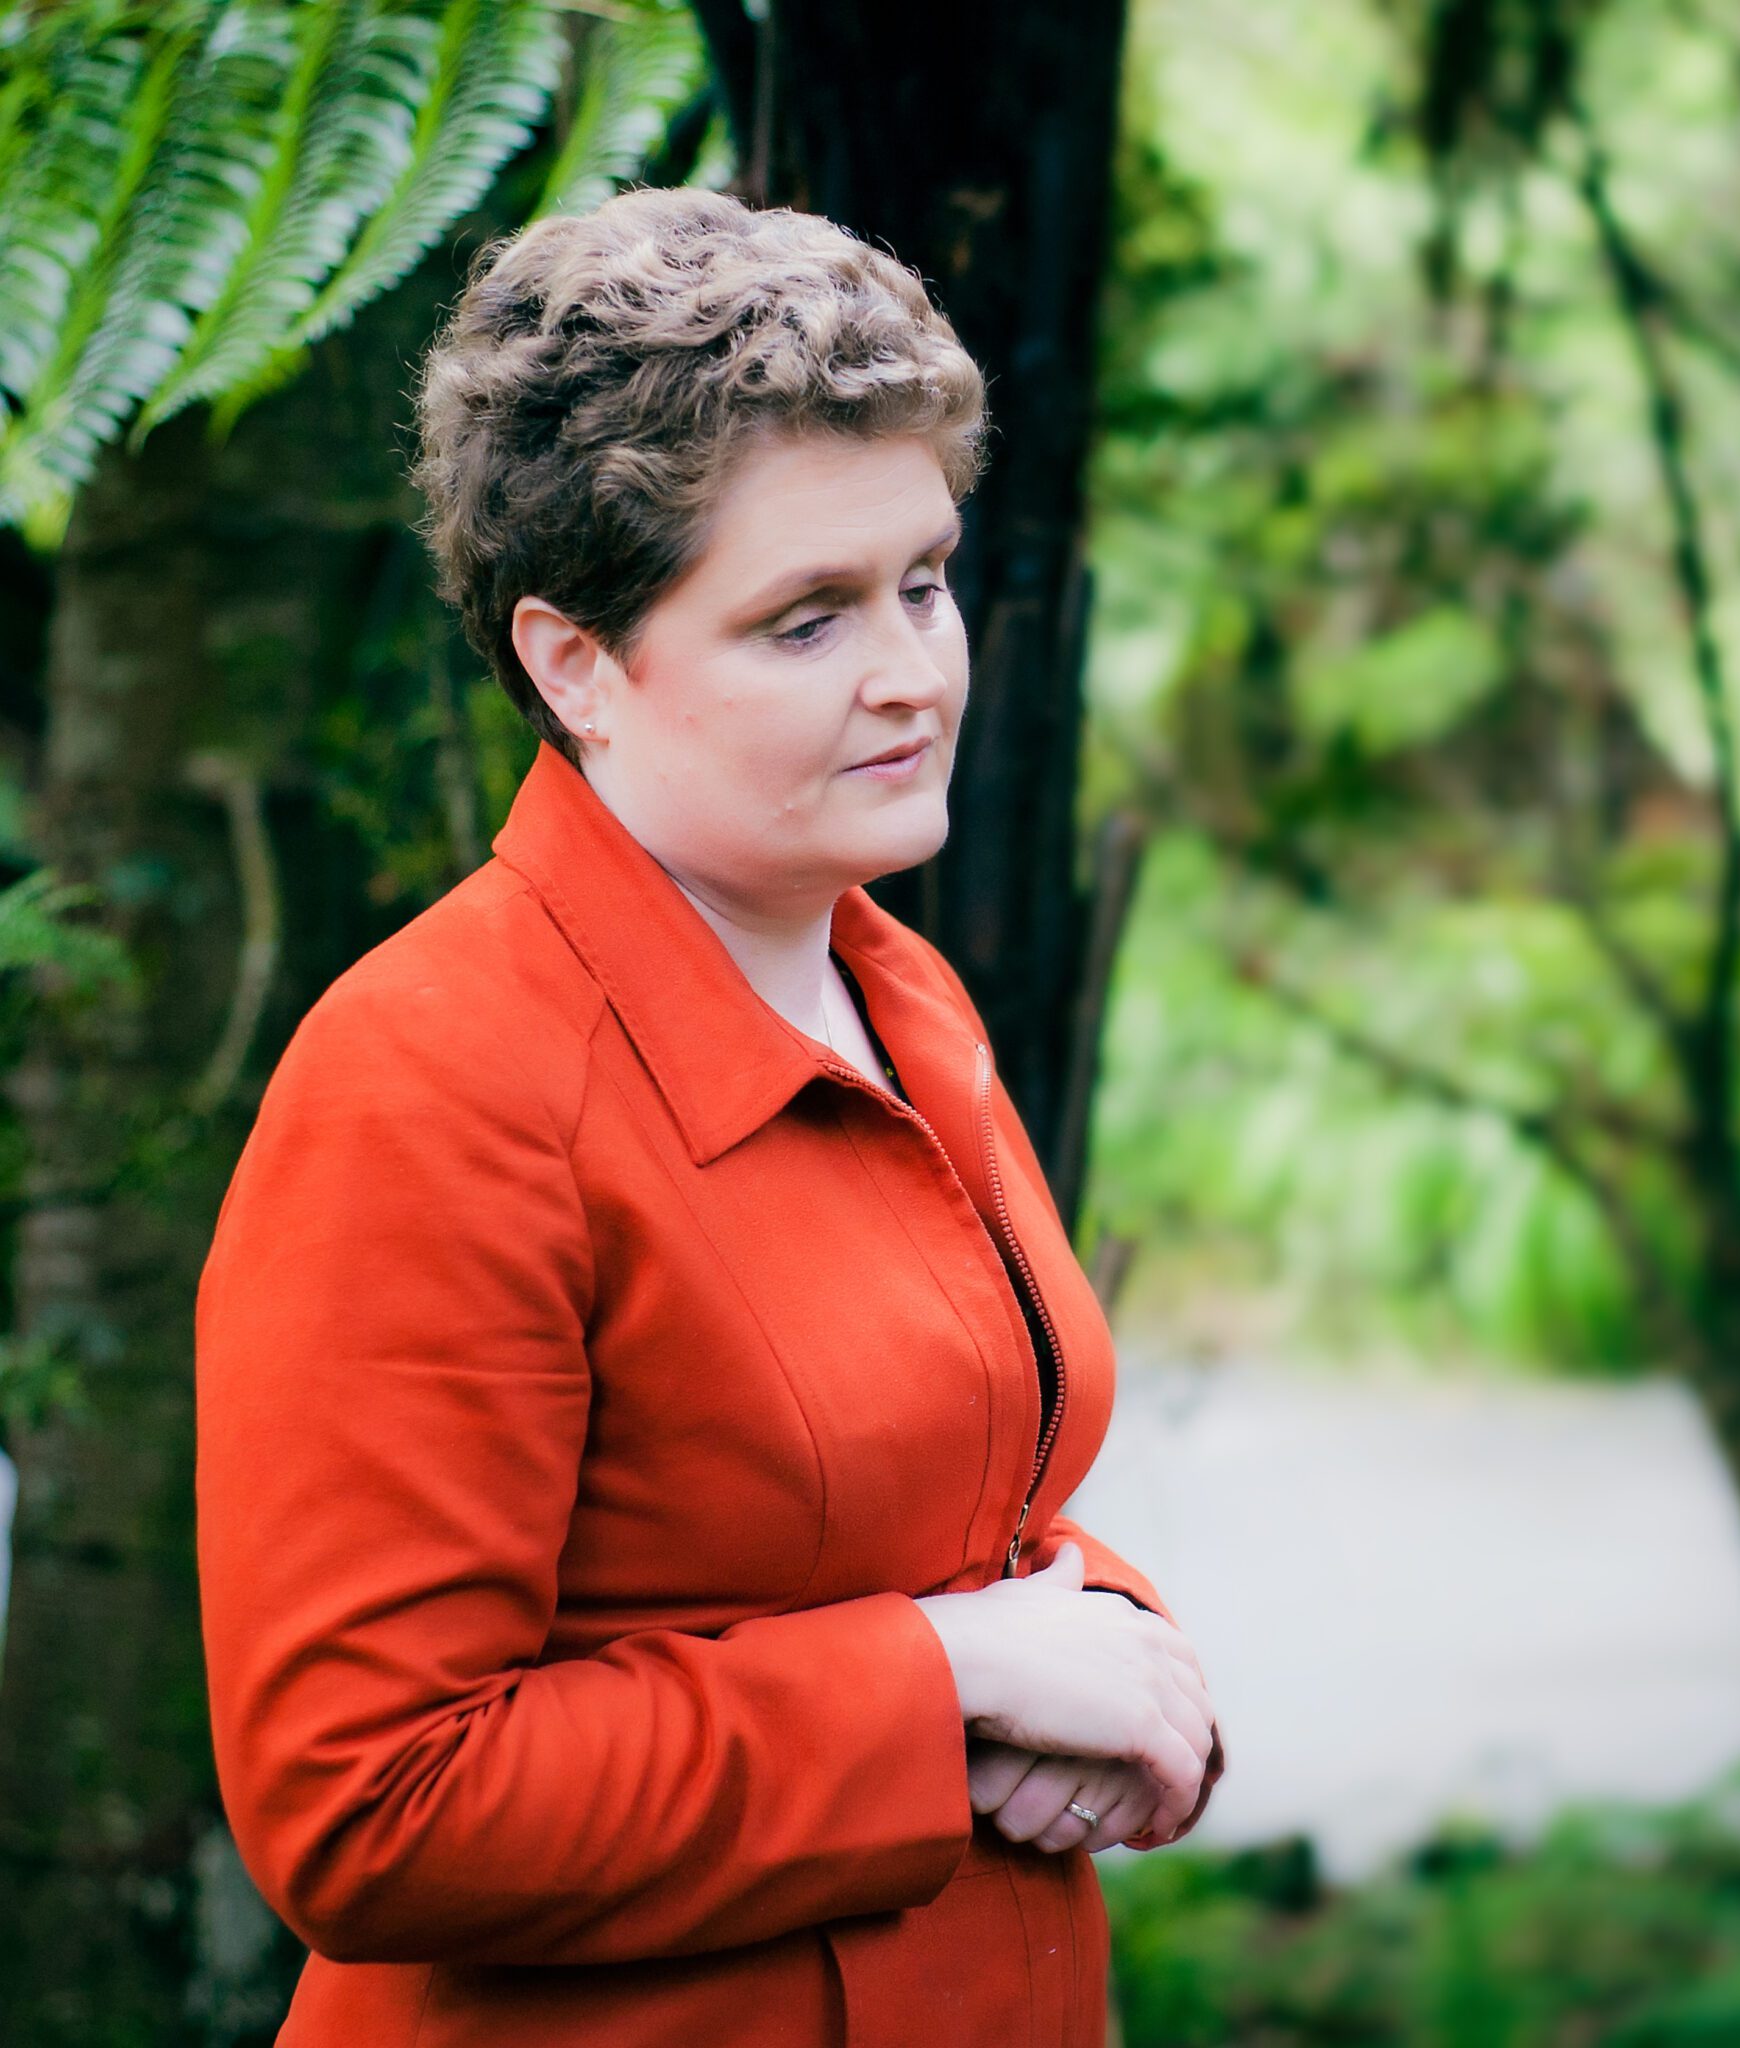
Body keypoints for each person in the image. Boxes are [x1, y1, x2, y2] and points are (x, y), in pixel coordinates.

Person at [193, 185, 1223, 2047]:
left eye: (922, 578)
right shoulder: (429, 1081)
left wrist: (1115, 1653)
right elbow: (370, 1803)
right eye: (804, 619)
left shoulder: (896, 985)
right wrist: (951, 1679)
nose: (914, 672)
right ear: (575, 662)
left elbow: (952, 1503)